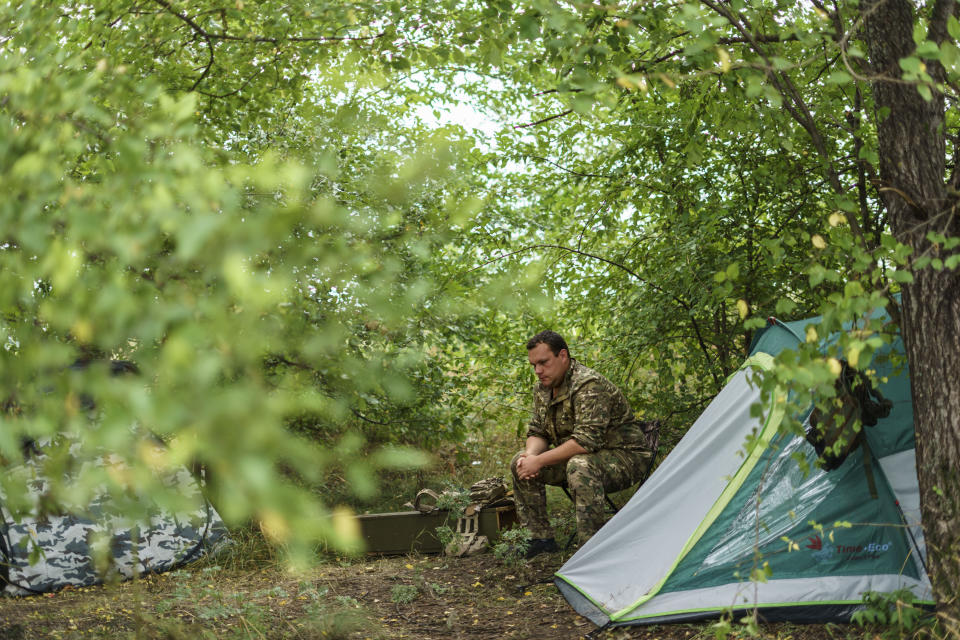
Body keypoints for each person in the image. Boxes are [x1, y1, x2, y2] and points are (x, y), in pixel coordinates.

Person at [511, 330, 653, 558]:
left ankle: (592, 551)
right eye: (533, 365)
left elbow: (586, 441)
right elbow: (538, 431)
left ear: (563, 356)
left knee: (580, 466)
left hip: (625, 458)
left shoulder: (588, 384)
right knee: (519, 461)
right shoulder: (542, 388)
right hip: (582, 457)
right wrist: (530, 457)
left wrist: (539, 461)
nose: (538, 371)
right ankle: (540, 539)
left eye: (543, 363)